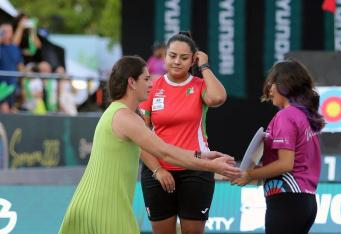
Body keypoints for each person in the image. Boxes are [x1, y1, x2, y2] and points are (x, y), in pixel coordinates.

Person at [59, 55, 240, 234]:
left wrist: (203, 155)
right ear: (131, 82)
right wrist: (211, 166)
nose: (151, 84)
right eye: (146, 79)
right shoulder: (125, 118)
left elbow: (165, 150)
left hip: (93, 204)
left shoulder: (119, 113)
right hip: (104, 207)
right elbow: (166, 153)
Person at [139, 32, 227, 234]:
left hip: (196, 169)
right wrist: (157, 171)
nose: (177, 61)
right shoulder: (152, 86)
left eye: (184, 57)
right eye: (172, 55)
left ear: (193, 59)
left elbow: (218, 98)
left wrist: (204, 66)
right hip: (158, 171)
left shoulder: (199, 85)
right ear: (164, 56)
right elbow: (140, 136)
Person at [233, 60, 325, 234]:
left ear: (285, 85)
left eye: (272, 83)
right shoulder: (304, 116)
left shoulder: (285, 116)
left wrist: (250, 174)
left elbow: (285, 165)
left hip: (287, 201)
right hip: (306, 202)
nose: (268, 89)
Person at [0, 22, 25, 113]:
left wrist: (23, 86)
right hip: (1, 86)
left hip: (12, 85)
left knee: (12, 109)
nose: (7, 33)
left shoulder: (14, 48)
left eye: (9, 31)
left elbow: (20, 66)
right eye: (4, 31)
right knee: (4, 107)